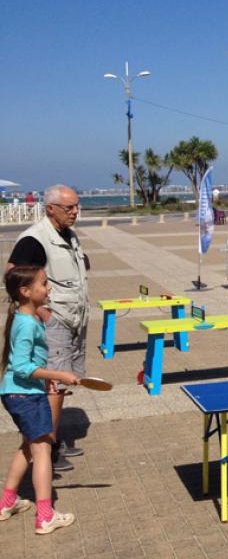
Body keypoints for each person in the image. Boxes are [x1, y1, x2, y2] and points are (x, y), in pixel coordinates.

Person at [6, 185, 89, 472]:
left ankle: (53, 438)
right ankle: (47, 449)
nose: (75, 211)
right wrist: (40, 311)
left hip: (73, 320)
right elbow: (12, 274)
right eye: (70, 207)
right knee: (52, 385)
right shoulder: (34, 238)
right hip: (55, 321)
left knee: (62, 384)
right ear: (50, 208)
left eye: (77, 206)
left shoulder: (69, 234)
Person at [1, 266, 79, 534]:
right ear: (25, 292)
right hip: (25, 396)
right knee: (43, 449)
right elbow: (21, 366)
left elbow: (26, 364)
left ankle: (6, 502)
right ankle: (45, 515)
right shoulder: (26, 325)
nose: (49, 289)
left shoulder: (26, 320)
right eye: (44, 284)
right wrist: (59, 373)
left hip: (19, 392)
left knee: (28, 446)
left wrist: (45, 379)